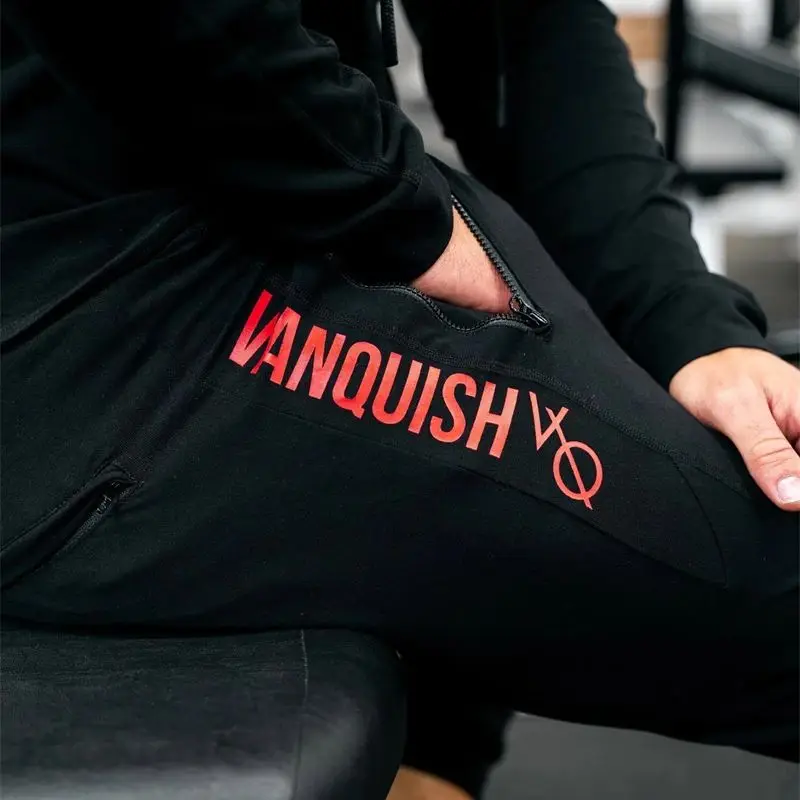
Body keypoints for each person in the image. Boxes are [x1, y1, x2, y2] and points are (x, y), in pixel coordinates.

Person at [2, 0, 798, 797]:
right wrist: (399, 215)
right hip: (89, 329)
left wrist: (687, 325)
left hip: (267, 212)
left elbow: (521, 29)